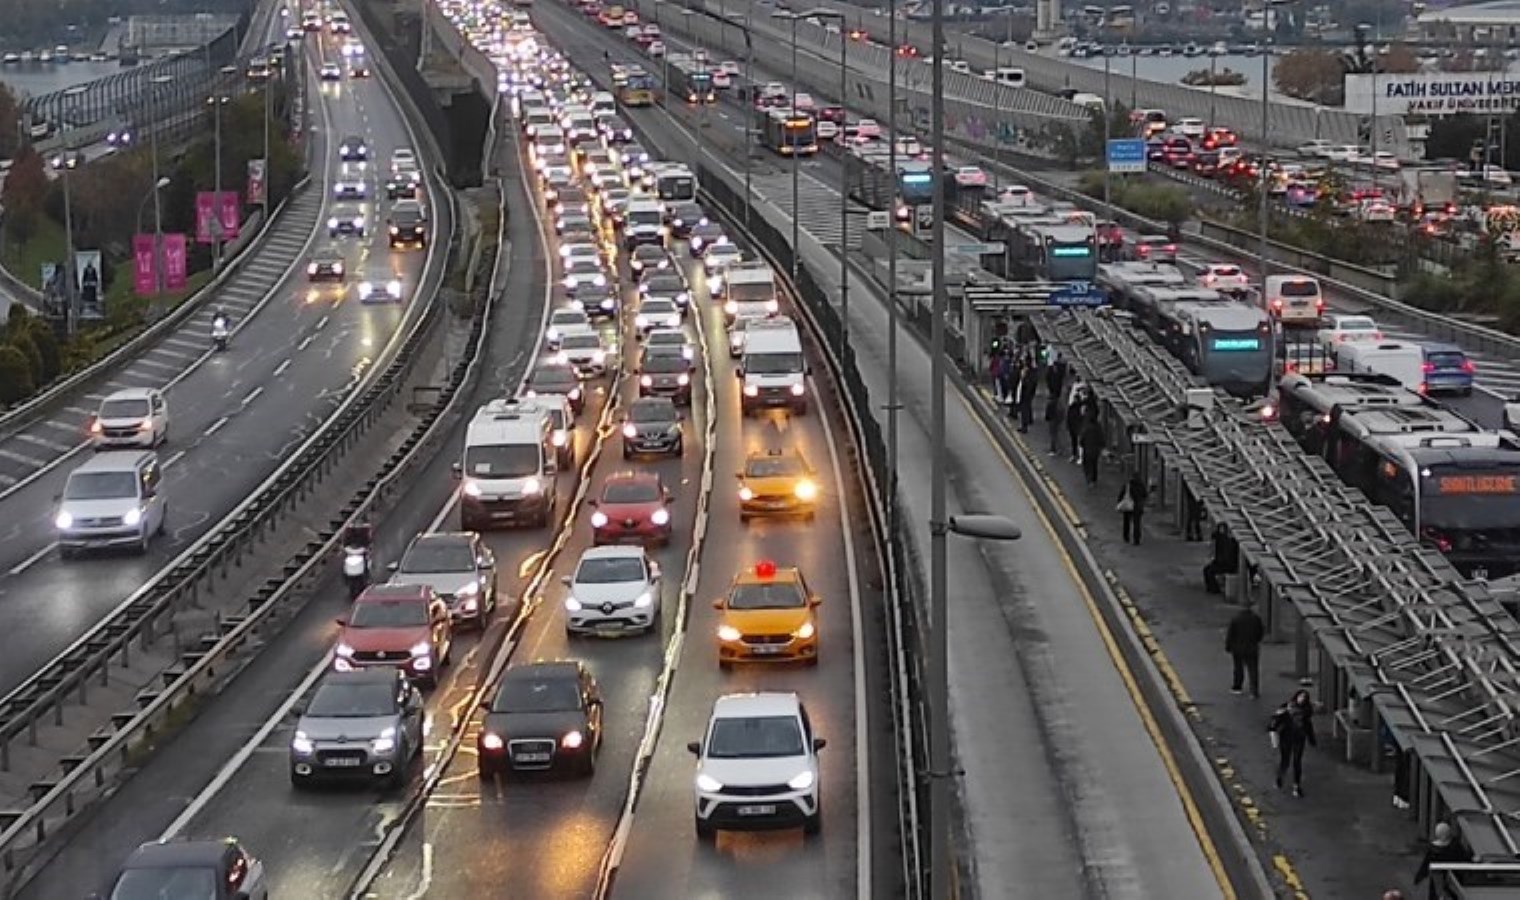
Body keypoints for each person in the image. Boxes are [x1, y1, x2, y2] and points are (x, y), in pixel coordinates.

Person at [1270, 690, 1317, 797]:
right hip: (1286, 737)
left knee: (1297, 761)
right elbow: (1276, 719)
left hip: (1299, 738)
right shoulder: (1287, 707)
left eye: (1304, 697)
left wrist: (1311, 739)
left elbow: (1308, 725)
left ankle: (1296, 785)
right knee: (1285, 760)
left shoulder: (1306, 711)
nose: (1301, 699)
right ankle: (1280, 779)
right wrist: (1273, 730)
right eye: (1300, 696)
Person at [1414, 822, 1468, 900]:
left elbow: (1425, 866)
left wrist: (1418, 878)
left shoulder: (1433, 851)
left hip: (1437, 882)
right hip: (1454, 881)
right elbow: (1465, 860)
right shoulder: (1456, 847)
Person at [1225, 605, 1265, 697]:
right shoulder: (1256, 619)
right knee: (1253, 670)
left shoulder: (1236, 619)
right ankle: (1254, 690)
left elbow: (1231, 634)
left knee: (1238, 668)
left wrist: (1228, 646)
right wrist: (1256, 640)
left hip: (1238, 648)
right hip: (1252, 647)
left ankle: (1237, 687)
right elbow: (1260, 632)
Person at [1204, 523, 1240, 594]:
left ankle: (1214, 588)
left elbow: (1227, 557)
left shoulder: (1228, 541)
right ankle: (1211, 587)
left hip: (1227, 565)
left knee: (1209, 571)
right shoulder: (1223, 540)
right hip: (1223, 563)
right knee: (1207, 570)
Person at [1117, 472, 1147, 545]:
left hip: (1128, 505)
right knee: (1137, 523)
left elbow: (1121, 494)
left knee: (1126, 522)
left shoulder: (1128, 485)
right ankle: (1136, 539)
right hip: (1138, 506)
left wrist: (1119, 501)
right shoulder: (1141, 485)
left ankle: (1126, 537)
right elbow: (1145, 494)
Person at [1079, 411, 1105, 486]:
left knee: (1087, 465)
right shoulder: (1098, 428)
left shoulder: (1087, 429)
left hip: (1087, 450)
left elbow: (1082, 439)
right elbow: (1101, 439)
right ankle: (1094, 479)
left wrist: (1082, 445)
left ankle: (1089, 479)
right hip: (1096, 450)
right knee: (1094, 465)